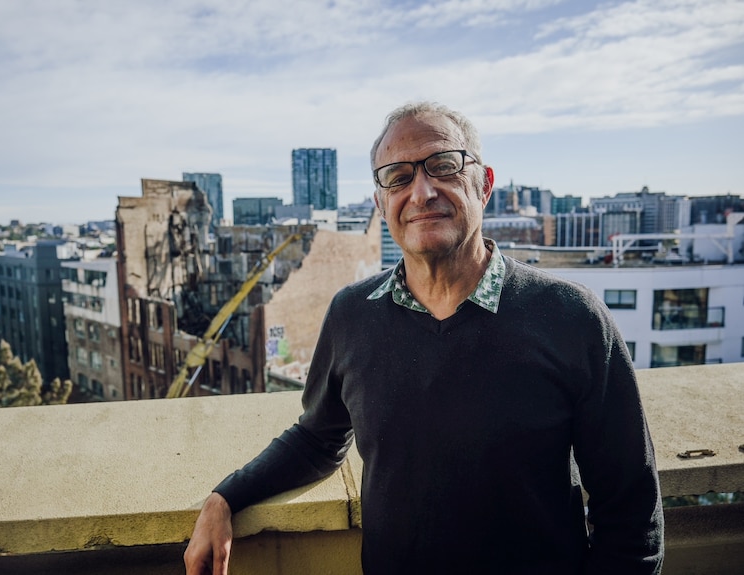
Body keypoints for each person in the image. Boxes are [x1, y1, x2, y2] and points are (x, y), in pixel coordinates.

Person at [184, 102, 664, 574]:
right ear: (380, 202)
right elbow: (316, 439)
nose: (422, 191)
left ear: (485, 184)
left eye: (443, 166)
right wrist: (227, 497)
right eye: (398, 176)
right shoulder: (352, 314)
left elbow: (630, 509)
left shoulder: (570, 317)